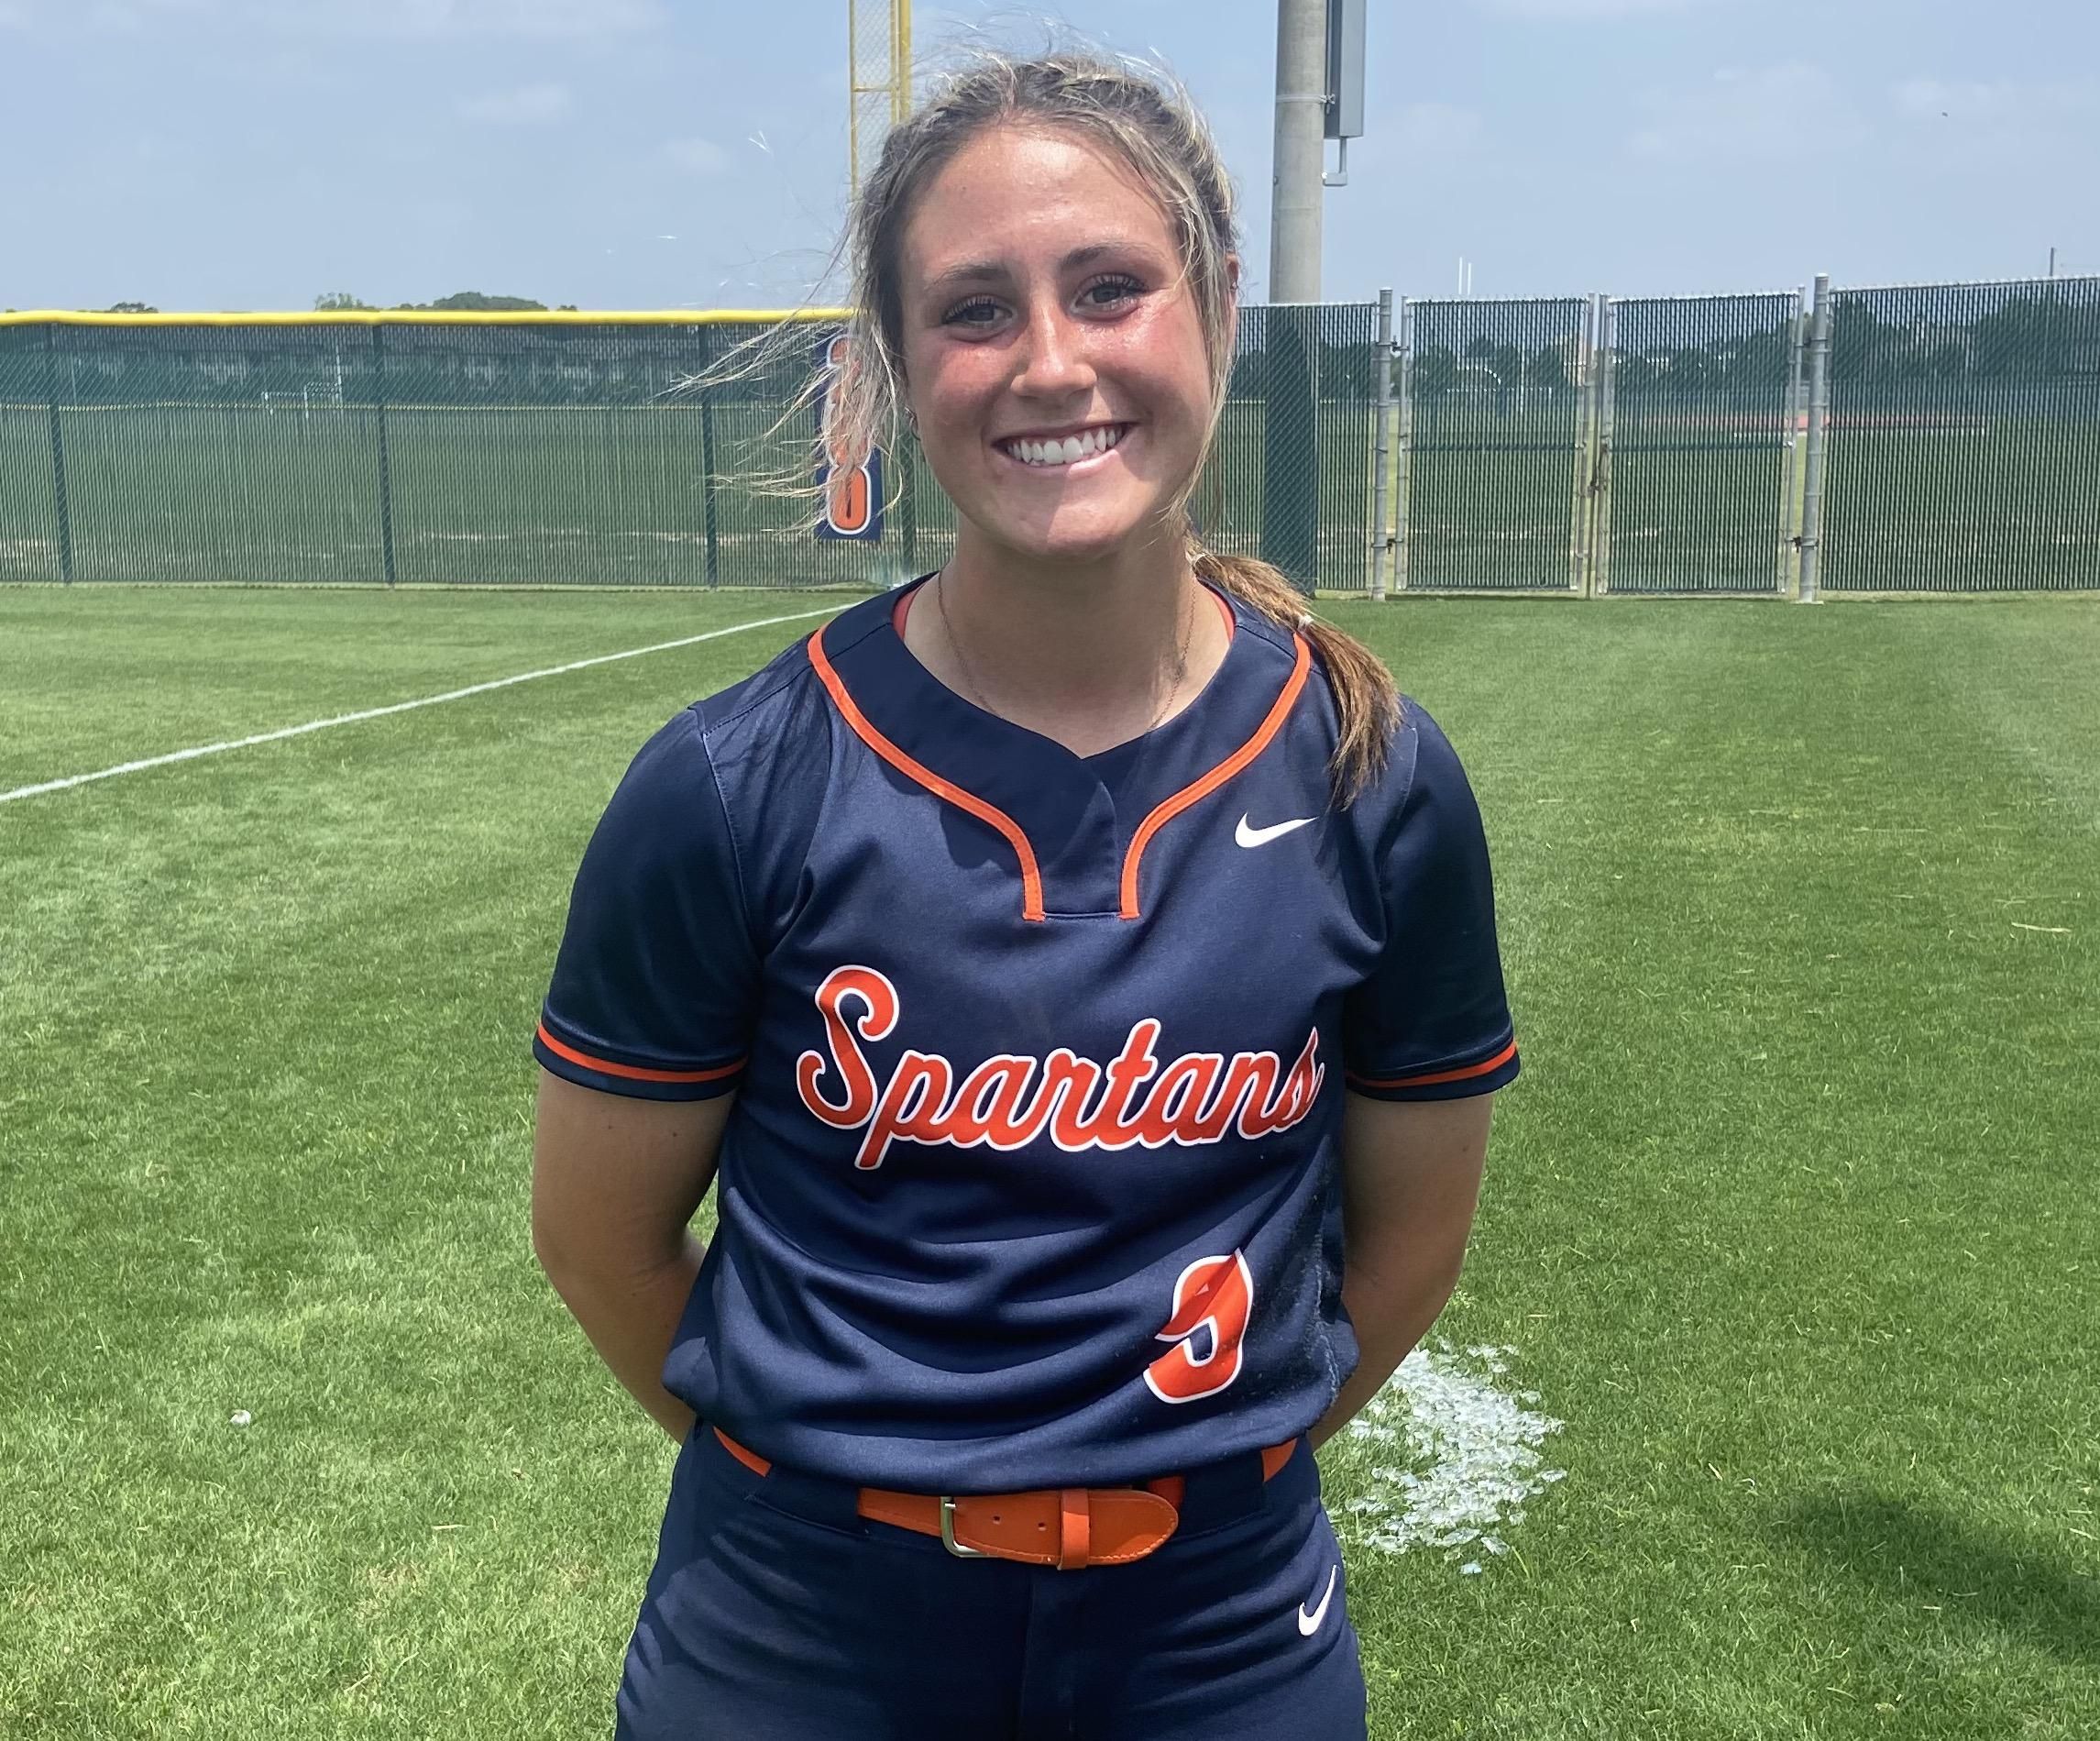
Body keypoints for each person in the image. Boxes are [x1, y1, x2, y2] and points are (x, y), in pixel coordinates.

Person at [530, 47, 1518, 1741]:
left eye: (1111, 287)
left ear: (1218, 303)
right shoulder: (734, 784)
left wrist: (1192, 1478)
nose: (1051, 362)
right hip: (798, 1625)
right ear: (899, 362)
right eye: (975, 310)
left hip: (1221, 1629)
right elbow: (602, 1241)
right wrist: (841, 1491)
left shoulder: (1371, 774)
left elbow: (1412, 1241)